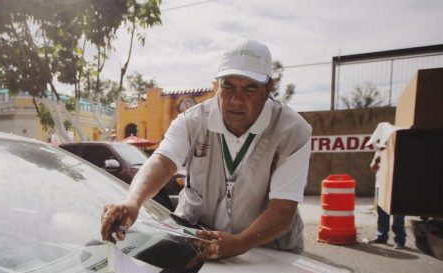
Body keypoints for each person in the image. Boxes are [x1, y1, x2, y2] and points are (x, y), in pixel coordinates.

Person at [100, 38, 312, 260]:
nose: (235, 100)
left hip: (267, 252)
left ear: (269, 88)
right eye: (228, 86)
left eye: (249, 88)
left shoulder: (292, 131)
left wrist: (241, 242)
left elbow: (283, 208)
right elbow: (162, 161)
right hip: (199, 245)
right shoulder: (192, 121)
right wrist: (133, 201)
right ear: (218, 83)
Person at [368, 147, 406, 249]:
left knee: (398, 215)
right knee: (382, 214)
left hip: (397, 186)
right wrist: (376, 160)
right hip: (381, 185)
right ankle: (381, 236)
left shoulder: (401, 148)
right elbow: (373, 168)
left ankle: (400, 240)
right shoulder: (379, 151)